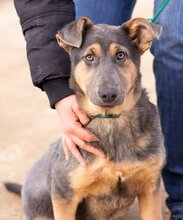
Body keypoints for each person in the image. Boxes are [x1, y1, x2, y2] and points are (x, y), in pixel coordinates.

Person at [14, 0, 183, 219]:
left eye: (120, 56)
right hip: (59, 204)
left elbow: (149, 186)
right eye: (89, 57)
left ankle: (180, 201)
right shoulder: (75, 37)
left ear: (140, 42)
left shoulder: (149, 130)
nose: (107, 85)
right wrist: (58, 91)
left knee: (177, 38)